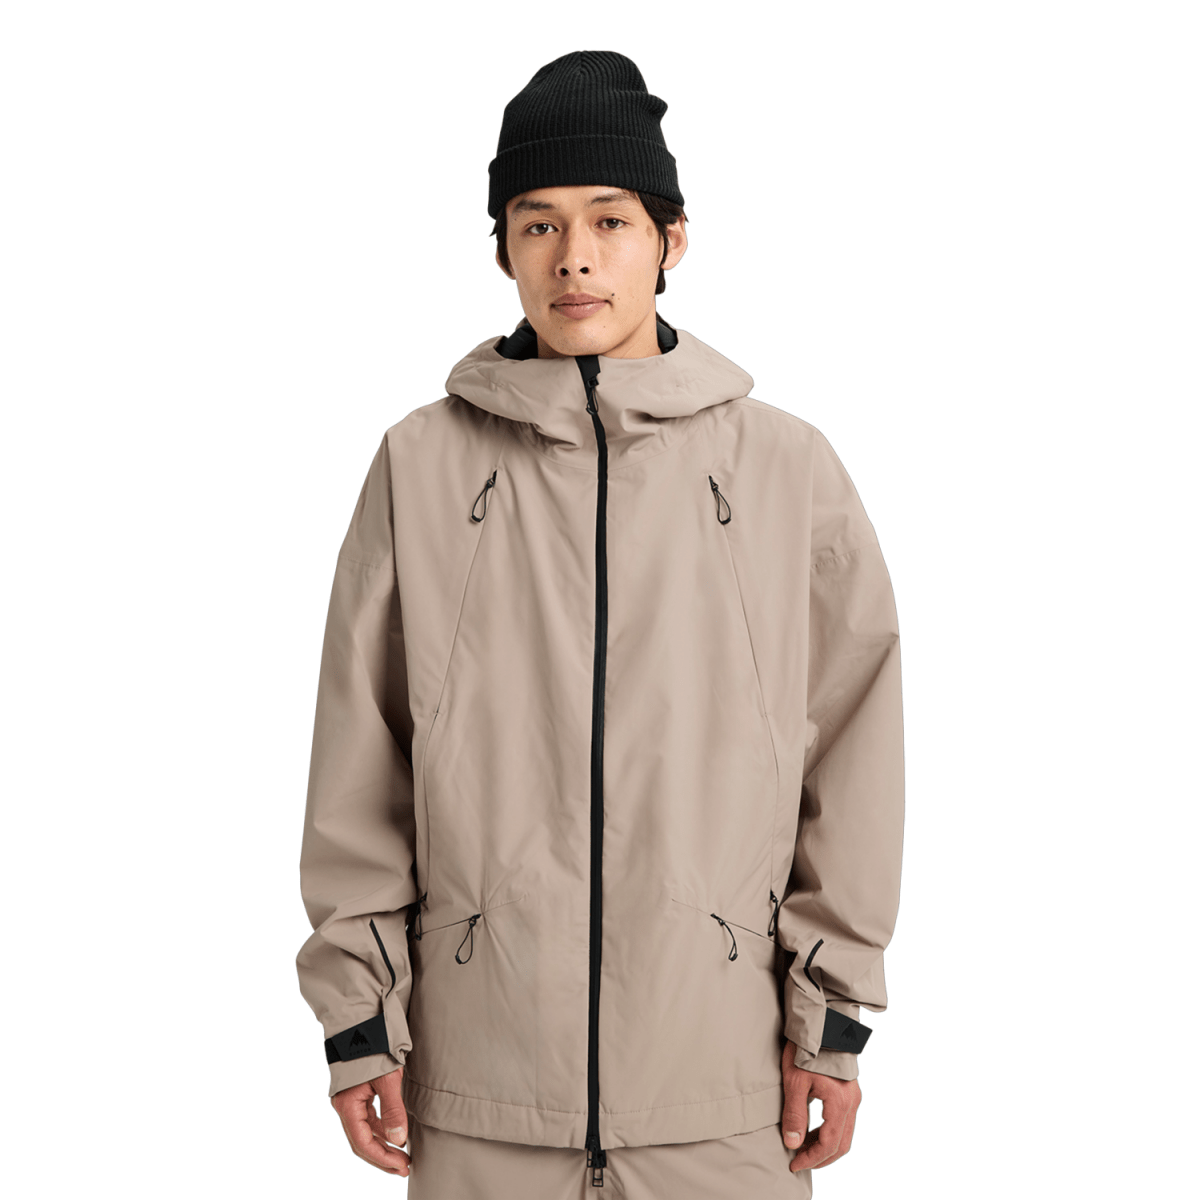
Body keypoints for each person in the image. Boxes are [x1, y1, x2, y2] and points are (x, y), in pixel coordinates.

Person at [295, 49, 905, 1199]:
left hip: (722, 1094)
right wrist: (357, 1020)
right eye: (538, 224)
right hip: (476, 1093)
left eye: (610, 221)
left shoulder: (786, 469)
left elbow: (853, 753)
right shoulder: (421, 465)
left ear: (672, 241)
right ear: (503, 250)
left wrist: (831, 1022)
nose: (573, 256)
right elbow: (361, 758)